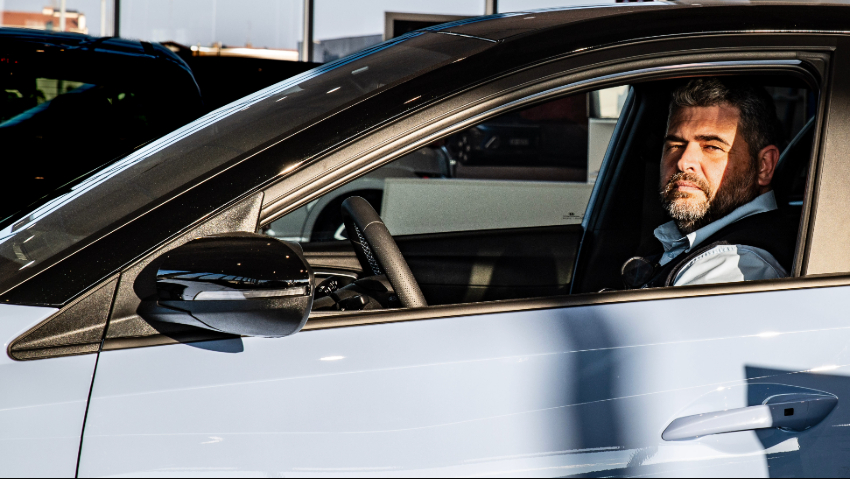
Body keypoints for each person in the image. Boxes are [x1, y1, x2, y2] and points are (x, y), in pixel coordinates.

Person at [624, 77, 796, 288]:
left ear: (764, 166)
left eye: (712, 147)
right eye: (675, 146)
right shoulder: (686, 243)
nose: (683, 162)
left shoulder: (737, 267)